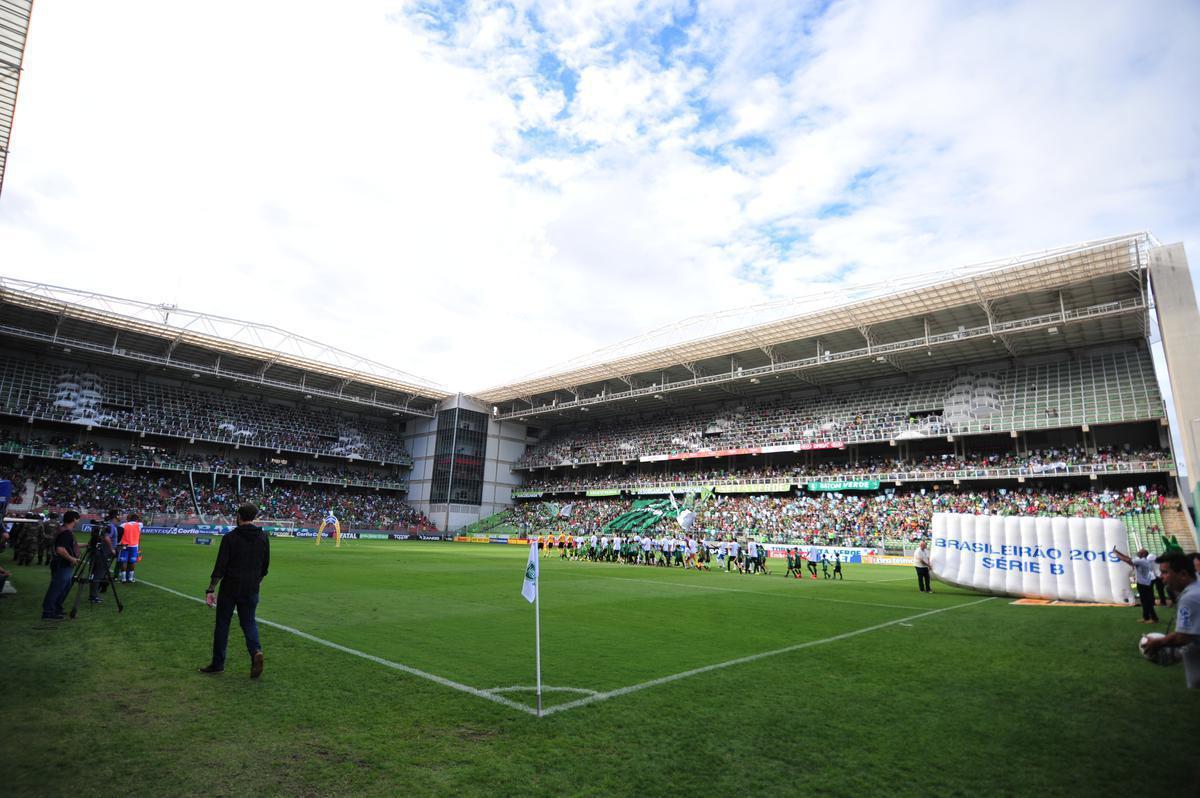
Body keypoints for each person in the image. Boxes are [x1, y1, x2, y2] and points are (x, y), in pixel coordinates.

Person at [199, 503, 269, 678]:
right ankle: (255, 652)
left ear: (239, 516)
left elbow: (220, 567)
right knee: (249, 623)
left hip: (231, 587)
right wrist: (257, 582)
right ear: (254, 517)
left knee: (223, 624)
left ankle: (218, 663)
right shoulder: (263, 537)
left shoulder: (230, 537)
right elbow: (264, 567)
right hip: (251, 587)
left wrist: (210, 589)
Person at [1141, 552, 1199, 688]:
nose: (1161, 577)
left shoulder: (1190, 597)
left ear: (1183, 574)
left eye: (1165, 572)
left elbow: (1183, 637)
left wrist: (1158, 643)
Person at [41, 510, 80, 621]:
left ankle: (56, 608)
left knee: (64, 587)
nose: (78, 521)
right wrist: (71, 558)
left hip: (61, 564)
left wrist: (87, 544)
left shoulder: (63, 529)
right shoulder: (66, 533)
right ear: (74, 519)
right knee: (57, 588)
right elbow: (60, 549)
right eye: (78, 519)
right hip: (62, 564)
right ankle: (48, 612)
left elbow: (69, 546)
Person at [1111, 547, 1158, 624]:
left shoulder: (1141, 561)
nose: (1138, 552)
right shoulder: (1143, 561)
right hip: (1144, 584)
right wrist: (1118, 552)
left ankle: (1154, 618)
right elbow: (1129, 559)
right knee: (1144, 602)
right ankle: (1146, 618)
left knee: (1147, 602)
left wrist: (1116, 554)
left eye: (1140, 551)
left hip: (1144, 585)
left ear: (1143, 554)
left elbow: (1127, 560)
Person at [89, 511, 119, 605]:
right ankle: (93, 596)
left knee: (94, 573)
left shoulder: (103, 526)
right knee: (98, 574)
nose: (118, 521)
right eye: (118, 519)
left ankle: (93, 594)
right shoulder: (111, 527)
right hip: (103, 553)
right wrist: (112, 549)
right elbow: (106, 538)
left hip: (96, 551)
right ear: (114, 518)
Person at [119, 513, 142, 583]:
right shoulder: (139, 525)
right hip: (134, 546)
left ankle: (123, 579)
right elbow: (140, 521)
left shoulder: (123, 525)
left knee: (124, 561)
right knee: (133, 561)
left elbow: (120, 534)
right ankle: (131, 578)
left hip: (124, 545)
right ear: (137, 519)